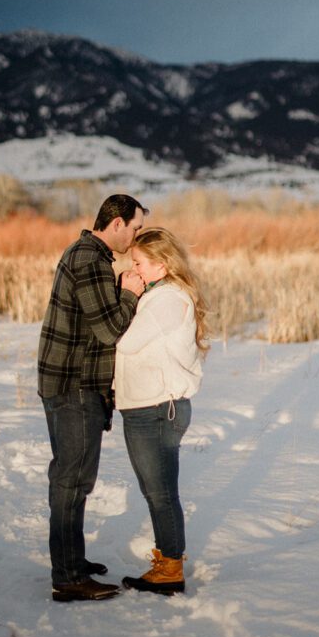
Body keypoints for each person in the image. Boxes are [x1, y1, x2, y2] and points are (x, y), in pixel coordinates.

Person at [38, 193, 147, 602]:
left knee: (71, 479)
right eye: (135, 228)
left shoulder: (86, 254)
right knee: (72, 481)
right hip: (75, 386)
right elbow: (109, 330)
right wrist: (131, 294)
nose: (135, 238)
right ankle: (67, 578)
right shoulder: (91, 260)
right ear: (116, 223)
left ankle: (72, 561)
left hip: (66, 383)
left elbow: (95, 325)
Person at [114, 227, 209, 595]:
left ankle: (170, 568)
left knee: (161, 492)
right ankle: (167, 562)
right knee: (157, 490)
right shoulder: (160, 295)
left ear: (161, 263)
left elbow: (125, 340)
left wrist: (127, 293)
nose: (134, 268)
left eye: (138, 263)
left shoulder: (166, 299)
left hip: (156, 407)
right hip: (150, 405)